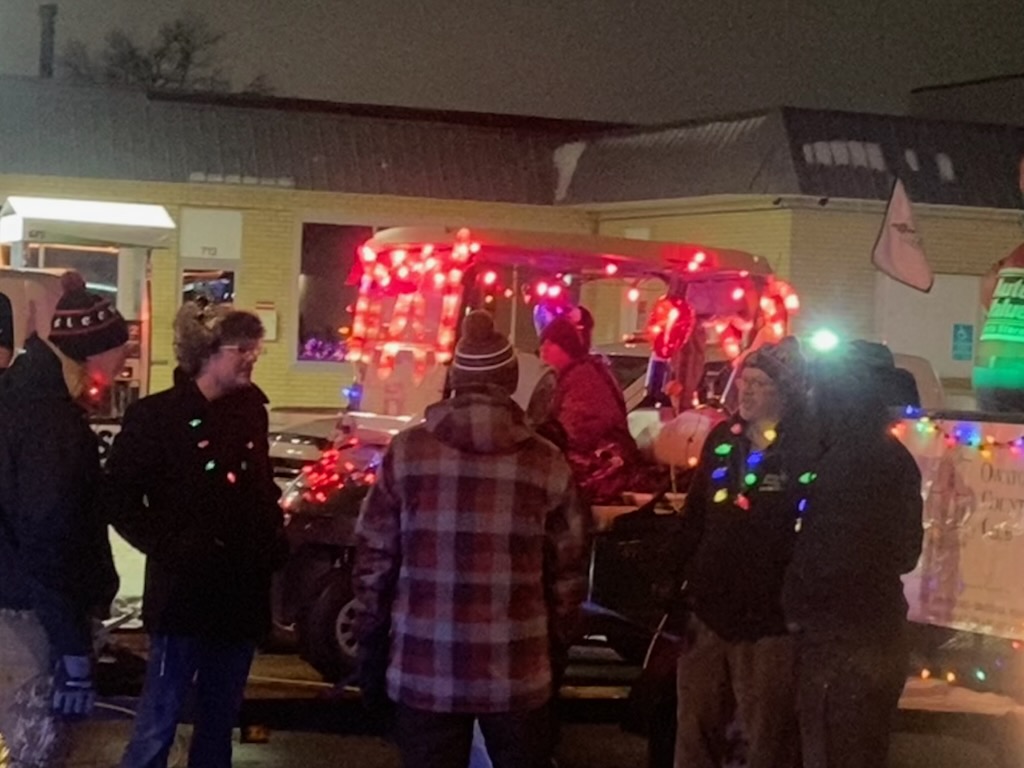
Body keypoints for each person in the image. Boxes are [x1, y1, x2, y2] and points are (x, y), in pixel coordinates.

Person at [354, 310, 591, 768]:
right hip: (517, 667)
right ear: (510, 381)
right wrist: (556, 644)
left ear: (455, 381)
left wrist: (371, 638)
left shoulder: (407, 453)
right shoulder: (545, 461)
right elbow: (570, 570)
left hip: (424, 664)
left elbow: (374, 559)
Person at [107, 302, 288, 768]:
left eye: (256, 348)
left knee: (219, 723)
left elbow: (259, 487)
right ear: (207, 352)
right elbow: (119, 499)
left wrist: (272, 540)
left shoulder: (251, 413)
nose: (252, 357)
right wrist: (171, 547)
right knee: (158, 720)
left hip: (239, 596)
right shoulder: (156, 418)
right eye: (242, 348)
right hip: (183, 597)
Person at [0, 271, 127, 766]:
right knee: (38, 752)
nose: (124, 358)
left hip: (21, 607)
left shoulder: (28, 405)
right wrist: (71, 644)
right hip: (30, 622)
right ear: (93, 350)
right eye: (120, 346)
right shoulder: (49, 423)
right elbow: (47, 539)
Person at [783, 343, 923, 768]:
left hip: (838, 641)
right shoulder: (897, 459)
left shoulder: (842, 460)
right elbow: (906, 552)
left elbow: (822, 554)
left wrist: (796, 604)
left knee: (830, 749)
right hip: (882, 631)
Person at [671, 338, 809, 768]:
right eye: (744, 381)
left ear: (784, 391)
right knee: (696, 728)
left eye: (760, 383)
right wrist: (678, 578)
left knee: (763, 736)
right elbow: (695, 516)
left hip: (769, 618)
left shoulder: (803, 449)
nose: (745, 392)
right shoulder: (722, 440)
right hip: (711, 610)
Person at [539, 315, 643, 502]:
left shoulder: (583, 380)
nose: (543, 353)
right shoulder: (585, 373)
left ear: (558, 347)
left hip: (599, 467)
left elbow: (574, 432)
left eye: (547, 346)